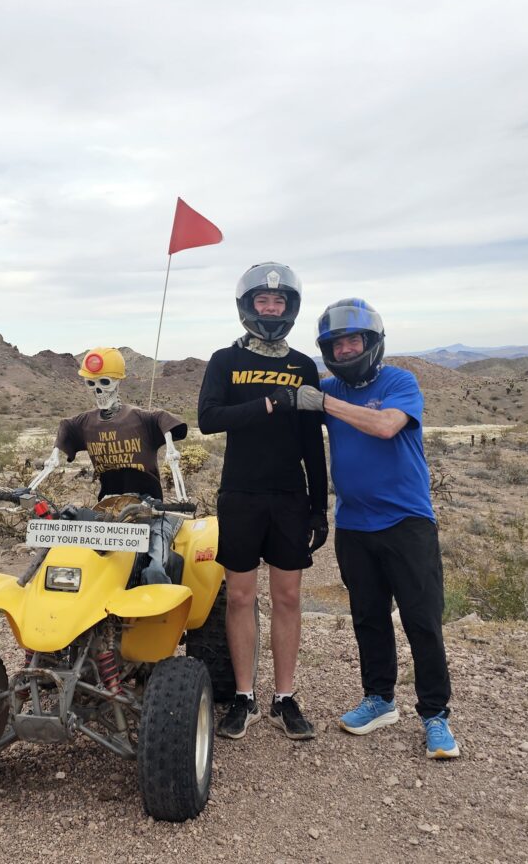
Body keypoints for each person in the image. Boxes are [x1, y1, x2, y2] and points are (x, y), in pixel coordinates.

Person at [293, 299, 459, 760]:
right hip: (354, 524)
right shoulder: (328, 388)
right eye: (336, 344)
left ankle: (435, 716)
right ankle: (380, 699)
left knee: (422, 620)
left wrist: (325, 403)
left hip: (407, 521)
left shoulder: (399, 382)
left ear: (371, 342)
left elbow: (387, 427)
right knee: (368, 617)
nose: (345, 350)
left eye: (353, 341)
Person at [197, 262, 328, 741]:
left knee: (289, 597)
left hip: (290, 497)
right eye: (262, 301)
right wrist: (269, 403)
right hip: (241, 494)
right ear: (247, 306)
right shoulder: (224, 360)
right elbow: (209, 418)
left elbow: (313, 442)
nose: (270, 308)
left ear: (289, 308)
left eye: (278, 302)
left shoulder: (304, 366)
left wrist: (319, 506)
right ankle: (245, 697)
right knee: (240, 596)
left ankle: (285, 698)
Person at [33, 347, 187, 502]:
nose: (98, 391)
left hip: (147, 502)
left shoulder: (140, 418)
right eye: (91, 383)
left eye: (104, 382)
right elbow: (65, 425)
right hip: (107, 503)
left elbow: (162, 418)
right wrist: (53, 457)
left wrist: (171, 450)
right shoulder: (86, 422)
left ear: (118, 382)